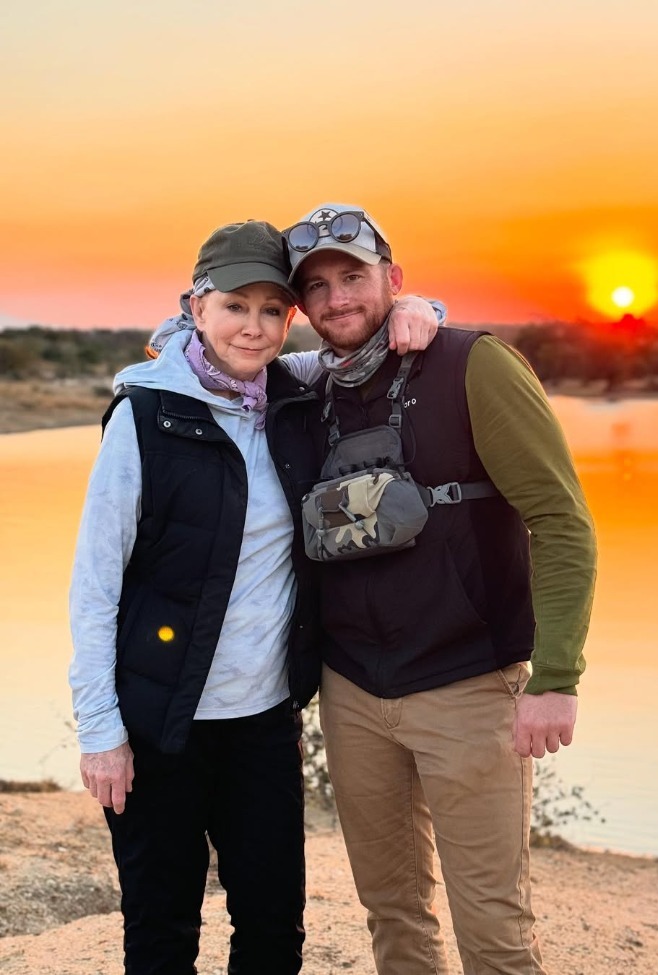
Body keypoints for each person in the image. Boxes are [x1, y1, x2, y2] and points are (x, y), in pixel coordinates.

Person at [68, 217, 441, 975]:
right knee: (163, 930)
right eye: (236, 305)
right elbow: (94, 586)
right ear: (195, 307)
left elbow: (365, 347)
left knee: (273, 930)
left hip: (264, 722)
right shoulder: (144, 417)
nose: (255, 325)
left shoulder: (292, 396)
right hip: (159, 724)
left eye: (274, 309)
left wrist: (419, 308)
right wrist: (100, 730)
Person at [284, 203, 598, 975]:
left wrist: (556, 678)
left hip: (468, 684)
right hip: (352, 692)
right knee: (392, 911)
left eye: (353, 276)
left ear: (393, 278)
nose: (337, 299)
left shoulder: (472, 364)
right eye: (316, 287)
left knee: (492, 923)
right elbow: (202, 340)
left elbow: (561, 520)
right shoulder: (303, 392)